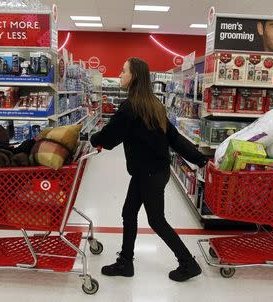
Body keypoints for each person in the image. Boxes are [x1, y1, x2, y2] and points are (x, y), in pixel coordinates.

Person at [90, 57, 207, 282]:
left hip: (149, 173)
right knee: (129, 213)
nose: (120, 74)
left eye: (124, 71)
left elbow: (110, 135)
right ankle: (125, 262)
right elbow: (175, 138)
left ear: (134, 76)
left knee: (156, 220)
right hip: (151, 171)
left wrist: (91, 138)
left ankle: (188, 263)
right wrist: (199, 159)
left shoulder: (131, 107)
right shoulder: (153, 104)